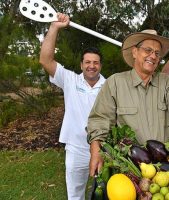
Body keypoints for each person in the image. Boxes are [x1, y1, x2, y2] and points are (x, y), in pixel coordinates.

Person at [86, 29, 169, 176]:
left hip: (164, 167)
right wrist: (96, 151)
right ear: (134, 52)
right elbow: (100, 119)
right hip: (128, 167)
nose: (153, 56)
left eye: (157, 53)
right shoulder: (115, 82)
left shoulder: (165, 82)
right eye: (148, 50)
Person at [39, 13, 106, 200]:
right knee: (75, 195)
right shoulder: (70, 80)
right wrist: (54, 27)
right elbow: (46, 60)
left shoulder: (110, 86)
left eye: (95, 62)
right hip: (76, 148)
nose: (91, 66)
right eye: (87, 62)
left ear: (100, 65)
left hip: (104, 148)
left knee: (105, 193)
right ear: (81, 64)